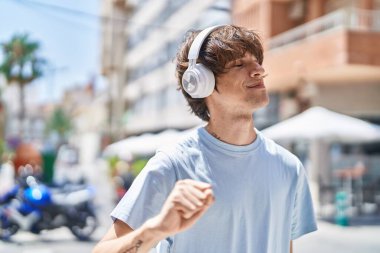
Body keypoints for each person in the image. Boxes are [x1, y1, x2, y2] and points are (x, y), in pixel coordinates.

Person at [93, 24, 317, 253]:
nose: (259, 70)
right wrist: (156, 229)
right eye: (239, 64)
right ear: (201, 82)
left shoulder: (289, 167)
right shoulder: (173, 164)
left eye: (257, 61)